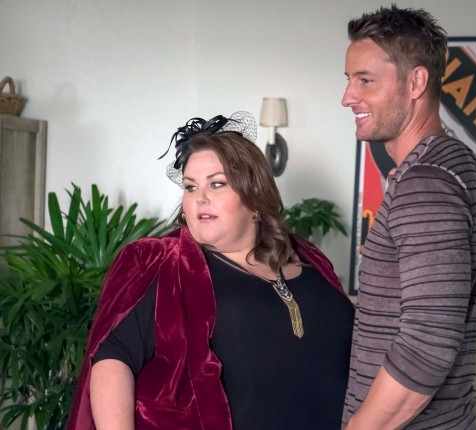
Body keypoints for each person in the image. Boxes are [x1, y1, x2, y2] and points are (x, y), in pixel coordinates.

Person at [67, 112, 355, 429]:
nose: (200, 198)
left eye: (216, 184)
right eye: (190, 187)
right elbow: (113, 358)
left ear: (255, 197)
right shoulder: (165, 265)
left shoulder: (310, 259)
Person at [341, 5, 476, 430]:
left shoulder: (425, 182)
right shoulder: (449, 166)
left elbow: (426, 346)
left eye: (365, 80)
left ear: (416, 82)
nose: (347, 97)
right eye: (349, 79)